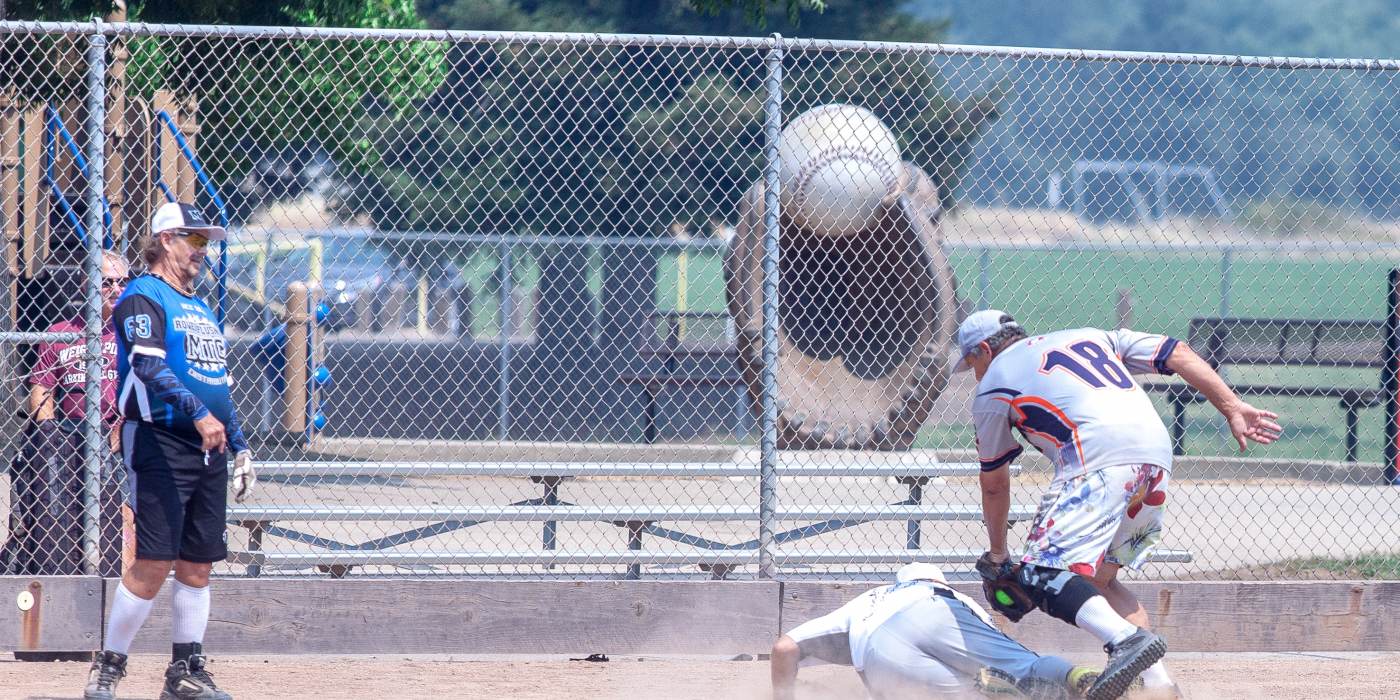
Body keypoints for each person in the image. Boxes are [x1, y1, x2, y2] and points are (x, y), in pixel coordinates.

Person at [956, 310, 1281, 700]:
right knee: (1099, 582)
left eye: (971, 363)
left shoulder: (992, 385)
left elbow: (994, 483)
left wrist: (997, 554)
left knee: (1041, 573)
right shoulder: (1091, 334)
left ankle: (1126, 640)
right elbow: (1175, 351)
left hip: (1097, 458)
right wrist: (1231, 406)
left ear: (985, 349)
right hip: (1154, 458)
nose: (973, 374)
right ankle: (1160, 688)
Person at [84, 202, 257, 700]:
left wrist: (239, 444)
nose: (202, 250)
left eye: (205, 242)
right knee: (155, 559)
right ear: (165, 239)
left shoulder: (200, 308)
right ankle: (109, 667)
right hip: (160, 438)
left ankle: (184, 673)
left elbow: (217, 385)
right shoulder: (143, 295)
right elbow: (146, 367)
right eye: (194, 240)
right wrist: (198, 415)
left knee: (197, 564)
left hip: (209, 448)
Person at [771, 563, 1127, 700]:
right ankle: (1081, 678)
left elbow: (784, 648)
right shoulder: (955, 597)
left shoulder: (868, 601)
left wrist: (784, 695)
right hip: (938, 613)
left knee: (971, 693)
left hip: (878, 649)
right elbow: (995, 653)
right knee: (1020, 671)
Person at [4, 250, 129, 576]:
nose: (116, 290)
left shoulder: (132, 336)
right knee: (49, 469)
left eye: (122, 282)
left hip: (117, 436)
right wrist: (49, 436)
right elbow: (41, 390)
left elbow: (146, 389)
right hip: (69, 439)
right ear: (88, 285)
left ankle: (114, 568)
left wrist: (122, 427)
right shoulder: (61, 333)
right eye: (107, 283)